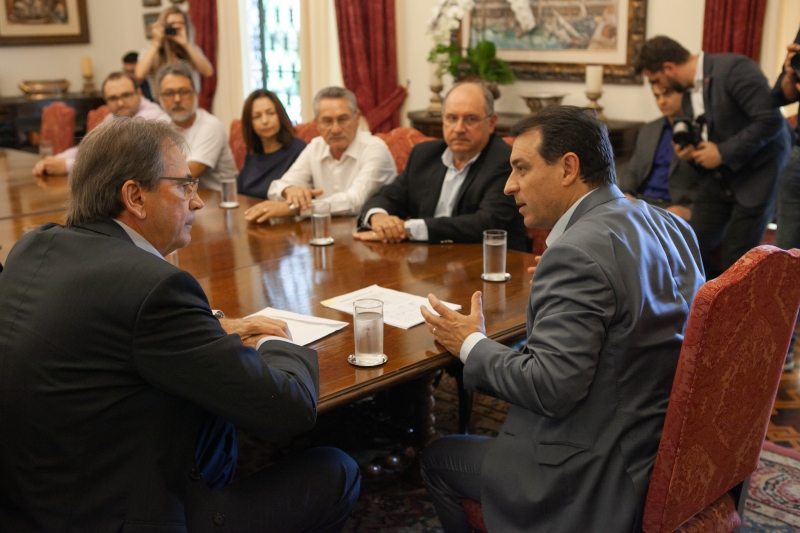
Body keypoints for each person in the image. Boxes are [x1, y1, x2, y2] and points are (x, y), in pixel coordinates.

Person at [0, 118, 360, 532]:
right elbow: (291, 412)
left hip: (27, 498)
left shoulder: (33, 246)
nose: (197, 201)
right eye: (184, 187)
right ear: (135, 197)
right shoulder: (154, 287)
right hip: (114, 513)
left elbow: (114, 327)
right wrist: (274, 340)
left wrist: (215, 327)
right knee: (337, 469)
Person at [418, 106, 704, 532]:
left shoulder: (575, 252)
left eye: (521, 167)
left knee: (438, 458)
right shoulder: (668, 223)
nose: (510, 185)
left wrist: (469, 344)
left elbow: (551, 389)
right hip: (660, 448)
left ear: (569, 167)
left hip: (595, 474)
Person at [636, 35, 791, 278]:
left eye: (656, 80)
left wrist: (722, 152)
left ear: (669, 68)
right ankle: (701, 311)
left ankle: (736, 315)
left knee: (736, 258)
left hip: (757, 177)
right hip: (717, 180)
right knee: (690, 245)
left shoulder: (734, 69)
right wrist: (688, 153)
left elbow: (770, 120)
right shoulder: (686, 91)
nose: (659, 87)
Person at [354, 82, 526, 252]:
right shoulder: (424, 155)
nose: (459, 128)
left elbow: (485, 223)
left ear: (491, 122)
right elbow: (388, 195)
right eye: (452, 118)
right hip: (427, 262)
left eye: (470, 119)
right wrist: (378, 217)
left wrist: (407, 229)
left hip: (487, 263)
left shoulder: (506, 161)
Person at [244, 86, 396, 222]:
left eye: (342, 119)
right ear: (317, 123)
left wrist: (293, 209)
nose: (335, 129)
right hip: (324, 235)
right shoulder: (316, 146)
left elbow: (354, 202)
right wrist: (289, 190)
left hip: (372, 237)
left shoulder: (375, 148)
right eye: (327, 121)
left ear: (357, 118)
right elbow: (276, 188)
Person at [32, 72, 168, 176]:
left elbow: (119, 163)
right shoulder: (114, 116)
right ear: (105, 100)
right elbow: (89, 148)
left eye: (126, 95)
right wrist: (53, 160)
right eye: (113, 98)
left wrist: (66, 166)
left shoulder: (153, 119)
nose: (120, 103)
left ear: (138, 93)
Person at [618, 83, 700, 221]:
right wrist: (626, 194)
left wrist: (691, 211)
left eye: (667, 94)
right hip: (643, 203)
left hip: (674, 206)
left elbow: (713, 186)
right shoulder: (649, 129)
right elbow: (632, 170)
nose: (662, 101)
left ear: (684, 94)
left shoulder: (700, 130)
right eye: (657, 96)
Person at [157, 62, 237, 191]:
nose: (177, 99)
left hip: (218, 201)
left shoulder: (211, 126)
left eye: (184, 92)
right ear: (160, 98)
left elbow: (188, 175)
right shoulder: (161, 124)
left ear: (196, 96)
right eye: (169, 93)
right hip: (181, 200)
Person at [771, 30, 800, 371]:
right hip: (797, 157)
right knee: (789, 259)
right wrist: (790, 70)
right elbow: (779, 95)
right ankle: (784, 350)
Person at [237, 89, 306, 198]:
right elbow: (239, 192)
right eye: (257, 116)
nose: (265, 121)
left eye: (270, 113)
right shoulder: (252, 154)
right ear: (249, 123)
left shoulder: (299, 150)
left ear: (280, 115)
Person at [135, 6, 213, 100]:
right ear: (162, 26)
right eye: (171, 24)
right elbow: (139, 75)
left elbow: (208, 72)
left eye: (180, 24)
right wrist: (156, 43)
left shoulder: (191, 48)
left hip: (190, 102)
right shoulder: (150, 49)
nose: (176, 27)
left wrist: (186, 44)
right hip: (162, 105)